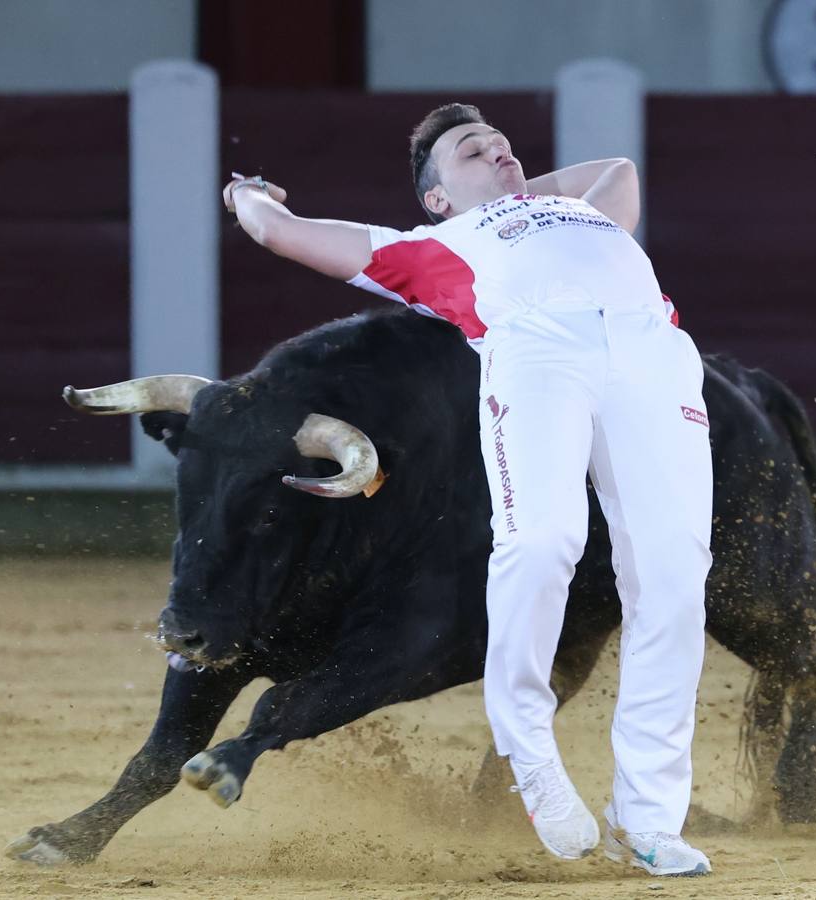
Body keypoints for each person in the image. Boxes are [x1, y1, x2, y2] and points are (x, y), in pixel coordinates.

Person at [223, 103, 713, 877]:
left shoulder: (582, 211)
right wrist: (247, 192)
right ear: (435, 198)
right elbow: (280, 232)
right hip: (536, 352)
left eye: (505, 145)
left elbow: (617, 171)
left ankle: (648, 817)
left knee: (674, 576)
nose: (500, 152)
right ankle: (529, 748)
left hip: (654, 353)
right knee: (545, 539)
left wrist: (518, 190)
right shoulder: (424, 245)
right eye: (472, 150)